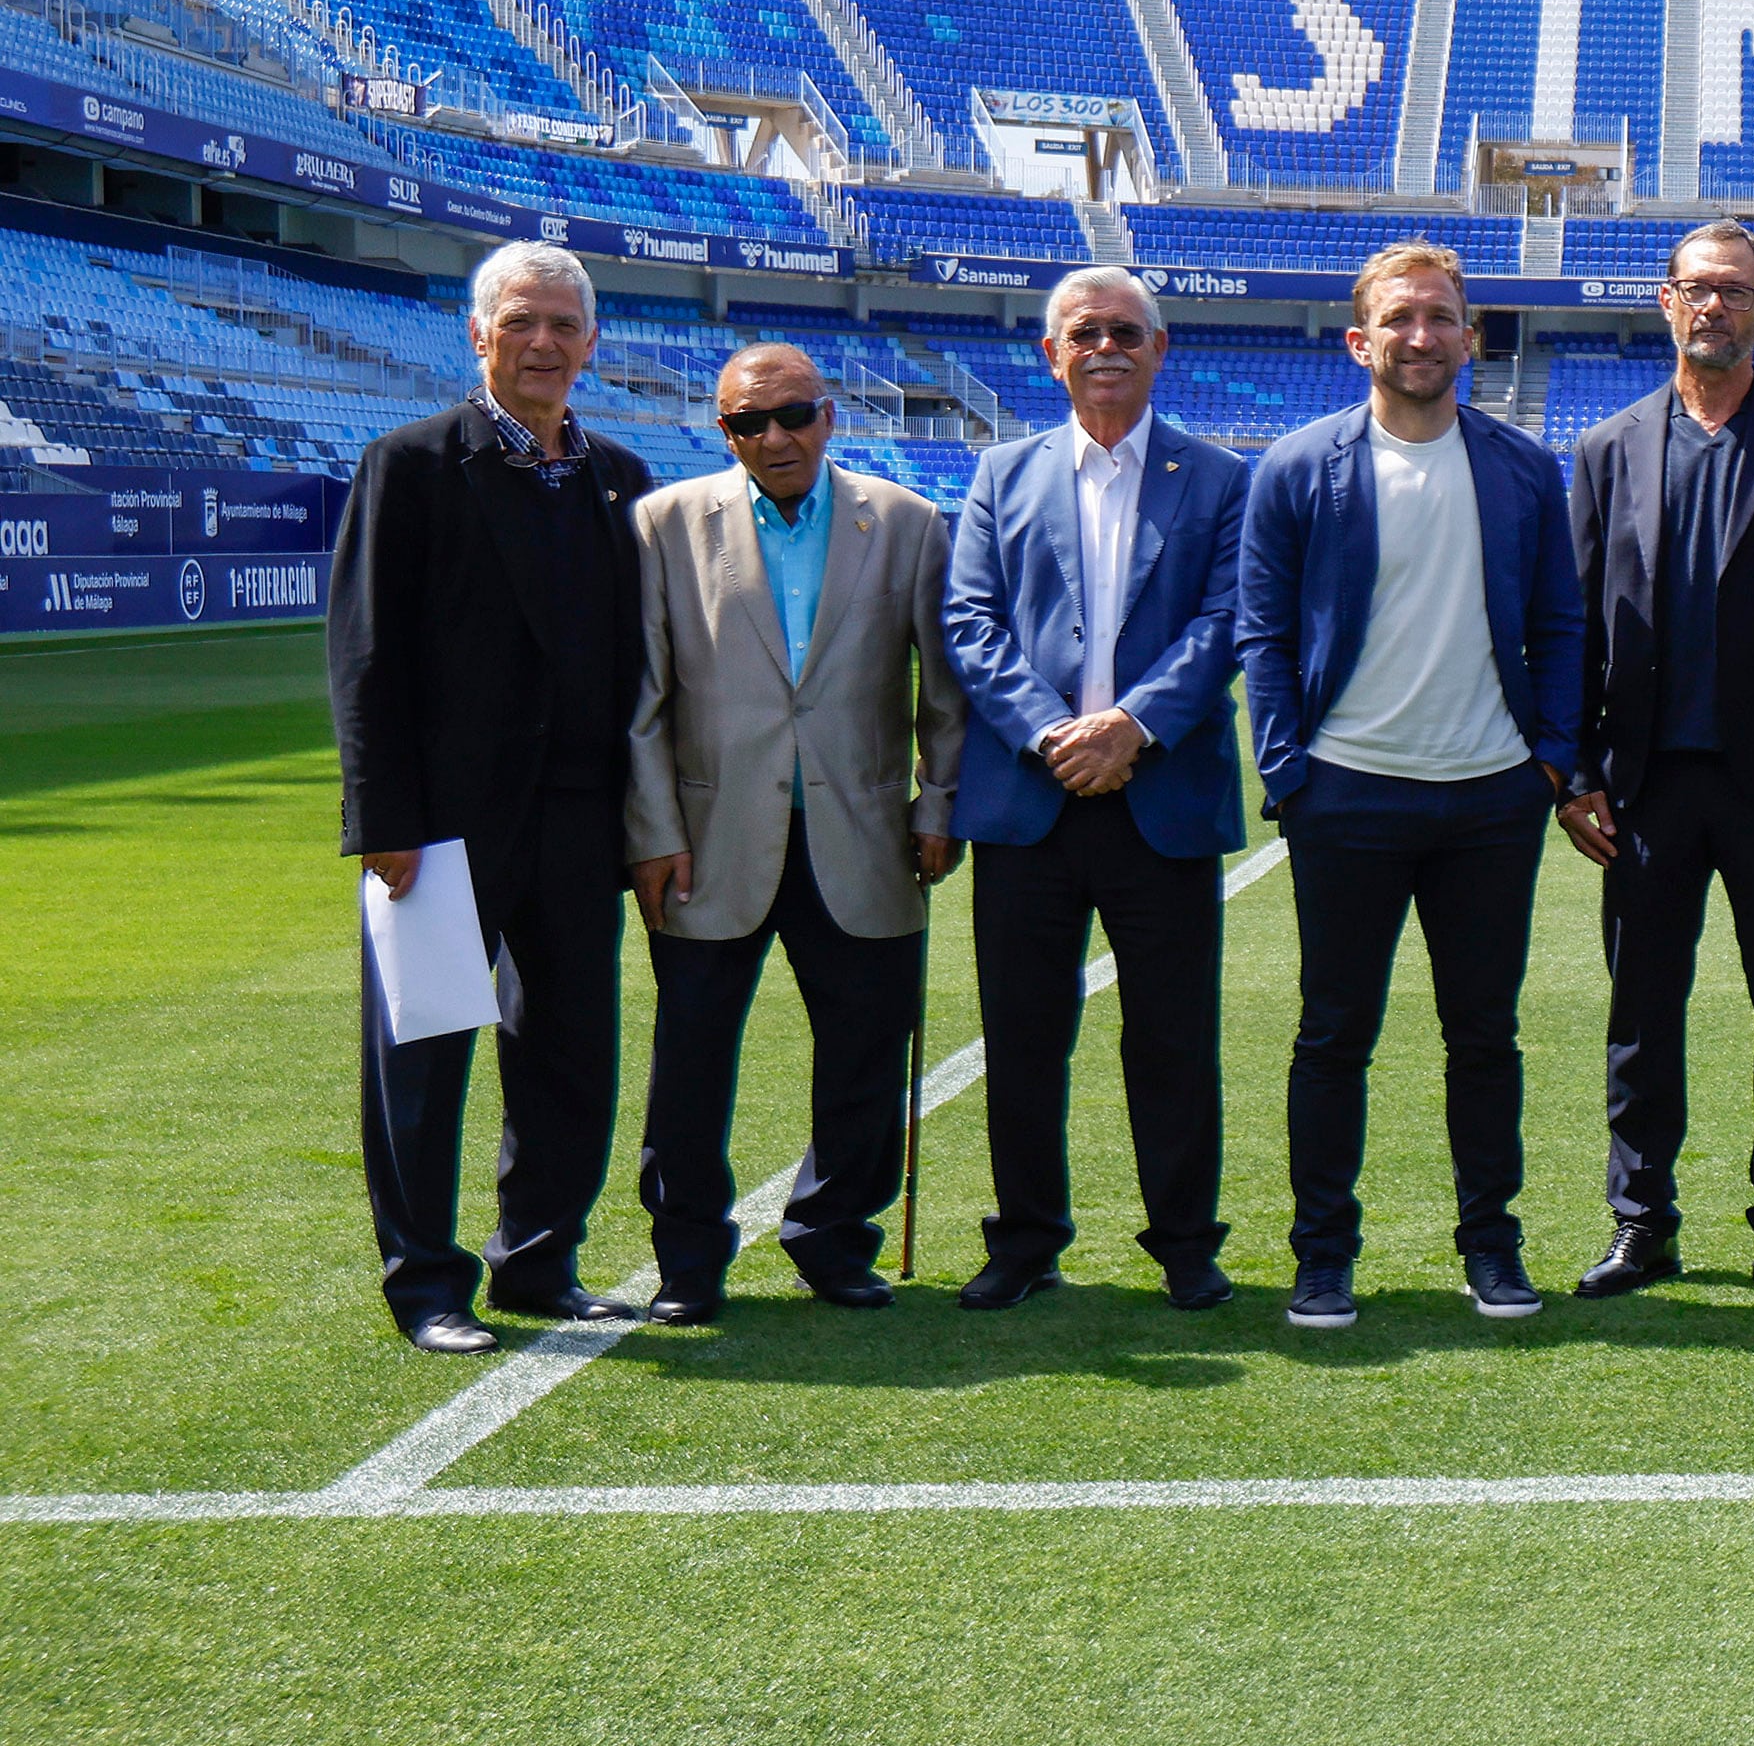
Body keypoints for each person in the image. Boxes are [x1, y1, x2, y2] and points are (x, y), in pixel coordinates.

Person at [1240, 238, 1584, 1330]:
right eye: (1399, 319)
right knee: (1333, 1035)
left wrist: (1551, 759)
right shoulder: (1298, 467)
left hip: (1490, 796)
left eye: (1440, 317)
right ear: (1360, 340)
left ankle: (1491, 1246)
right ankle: (1321, 1256)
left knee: (1483, 1036)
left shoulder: (1523, 466)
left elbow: (1561, 621)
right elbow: (1266, 632)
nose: (1421, 336)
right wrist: (1289, 771)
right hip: (1347, 793)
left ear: (1470, 337)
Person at [328, 240, 656, 1351]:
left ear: (591, 345)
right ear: (478, 335)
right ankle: (425, 1285)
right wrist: (384, 820)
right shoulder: (412, 464)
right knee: (421, 1059)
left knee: (569, 1053)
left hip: (580, 819)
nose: (544, 343)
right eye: (522, 321)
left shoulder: (620, 478)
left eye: (564, 325)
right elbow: (365, 656)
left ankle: (537, 1264)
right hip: (442, 828)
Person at [623, 346, 968, 1323]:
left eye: (794, 415)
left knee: (864, 1060)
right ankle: (688, 1259)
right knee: (690, 1066)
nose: (773, 437)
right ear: (720, 430)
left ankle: (833, 1240)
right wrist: (651, 832)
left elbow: (944, 692)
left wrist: (938, 803)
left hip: (866, 837)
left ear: (830, 417)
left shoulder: (902, 523)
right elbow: (640, 703)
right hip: (709, 835)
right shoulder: (663, 525)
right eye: (747, 423)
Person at [942, 268, 1251, 1312]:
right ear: (1052, 354)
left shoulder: (1216, 478)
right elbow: (970, 623)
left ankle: (1184, 1243)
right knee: (1024, 1035)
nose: (1107, 347)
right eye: (1085, 332)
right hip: (1030, 804)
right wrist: (1049, 733)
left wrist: (1132, 725)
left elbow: (1225, 625)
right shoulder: (1000, 474)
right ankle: (1025, 1239)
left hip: (1160, 800)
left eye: (1127, 331)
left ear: (1160, 350)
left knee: (1172, 1038)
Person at [1559, 220, 1754, 1305]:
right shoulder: (1607, 449)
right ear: (1666, 303)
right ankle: (1643, 1225)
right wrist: (1576, 769)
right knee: (1643, 1013)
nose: (1714, 307)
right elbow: (1577, 625)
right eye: (1695, 290)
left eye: (1734, 292)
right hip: (1644, 786)